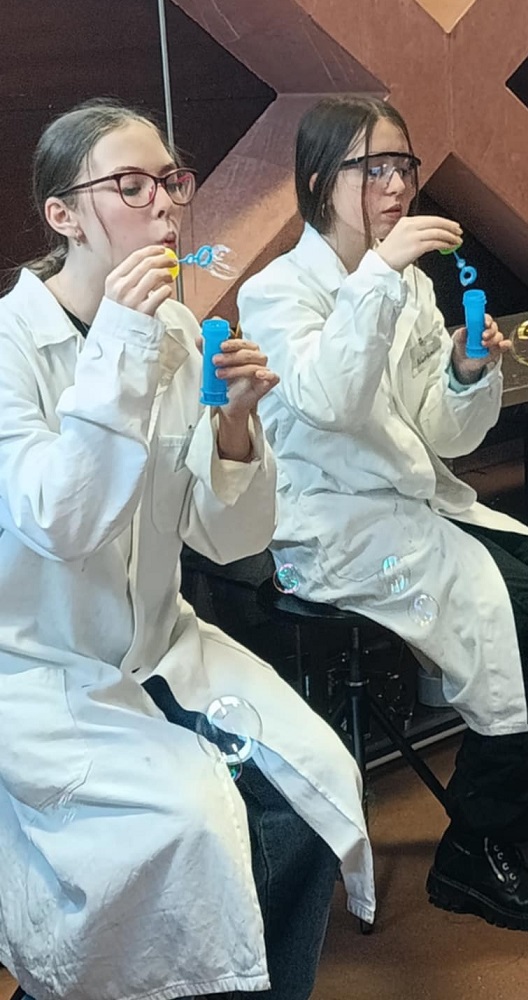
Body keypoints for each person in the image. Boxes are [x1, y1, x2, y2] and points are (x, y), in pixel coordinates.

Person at [238, 95, 528, 934]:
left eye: (404, 166)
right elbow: (327, 402)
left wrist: (465, 373)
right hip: (340, 528)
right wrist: (377, 277)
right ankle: (474, 845)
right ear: (319, 181)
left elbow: (444, 434)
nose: (397, 186)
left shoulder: (409, 286)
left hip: (418, 504)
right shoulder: (276, 292)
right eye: (373, 169)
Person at [0, 98, 373, 1000]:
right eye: (131, 185)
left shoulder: (171, 330)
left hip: (164, 644)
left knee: (317, 784)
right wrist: (125, 344)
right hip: (43, 672)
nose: (166, 204)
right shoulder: (12, 348)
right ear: (63, 215)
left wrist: (235, 427)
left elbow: (229, 536)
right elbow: (61, 522)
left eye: (171, 180)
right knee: (193, 825)